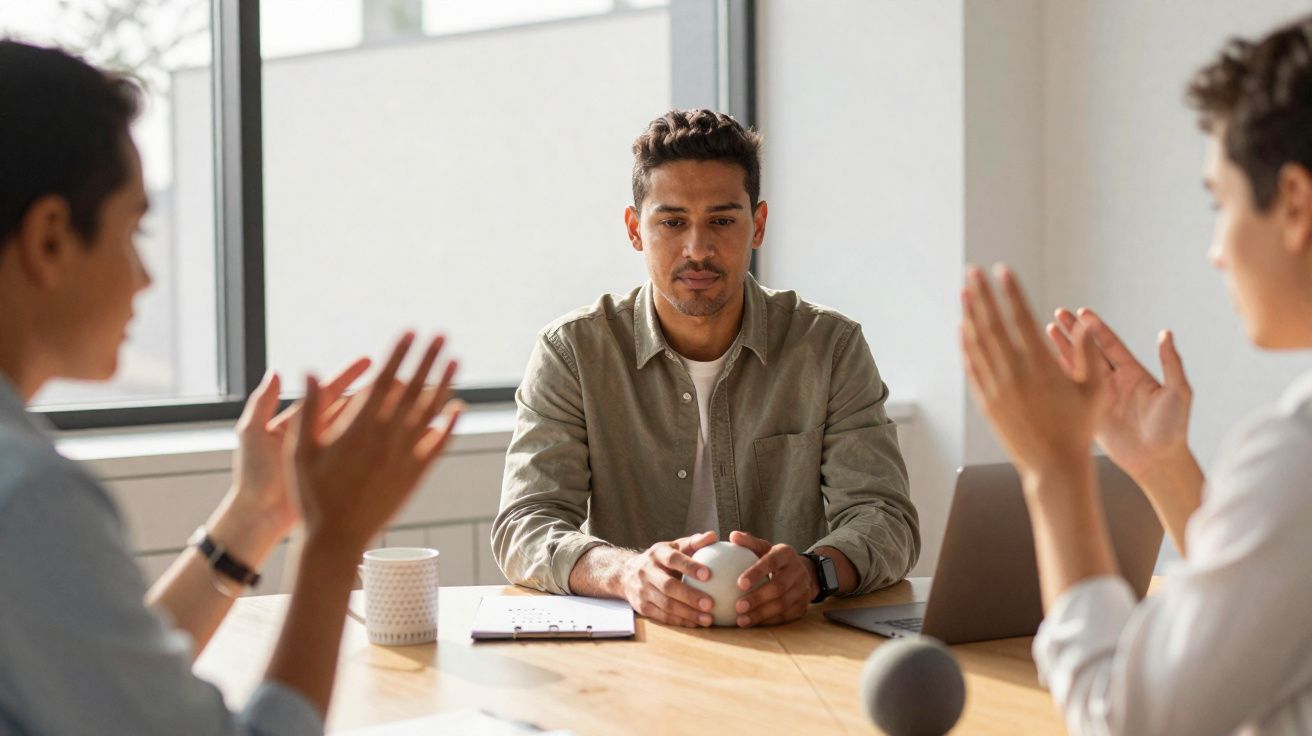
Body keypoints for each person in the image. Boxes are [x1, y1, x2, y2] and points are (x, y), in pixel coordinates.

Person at [0, 41, 461, 734]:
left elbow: (113, 693)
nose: (145, 278)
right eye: (135, 230)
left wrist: (254, 516)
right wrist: (333, 544)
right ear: (50, 239)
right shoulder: (29, 496)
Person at [958, 15, 1312, 735]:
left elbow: (1127, 721)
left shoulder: (1296, 452)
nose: (1216, 251)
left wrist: (1054, 470)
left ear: (1296, 205)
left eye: (1222, 203)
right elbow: (1277, 606)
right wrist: (1161, 466)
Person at [493, 109, 919, 628]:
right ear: (634, 230)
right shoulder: (573, 353)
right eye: (672, 222)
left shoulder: (829, 347)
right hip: (641, 650)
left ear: (757, 225)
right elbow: (525, 526)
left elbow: (886, 518)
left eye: (722, 220)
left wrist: (813, 573)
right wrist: (625, 573)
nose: (698, 250)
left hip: (793, 641)